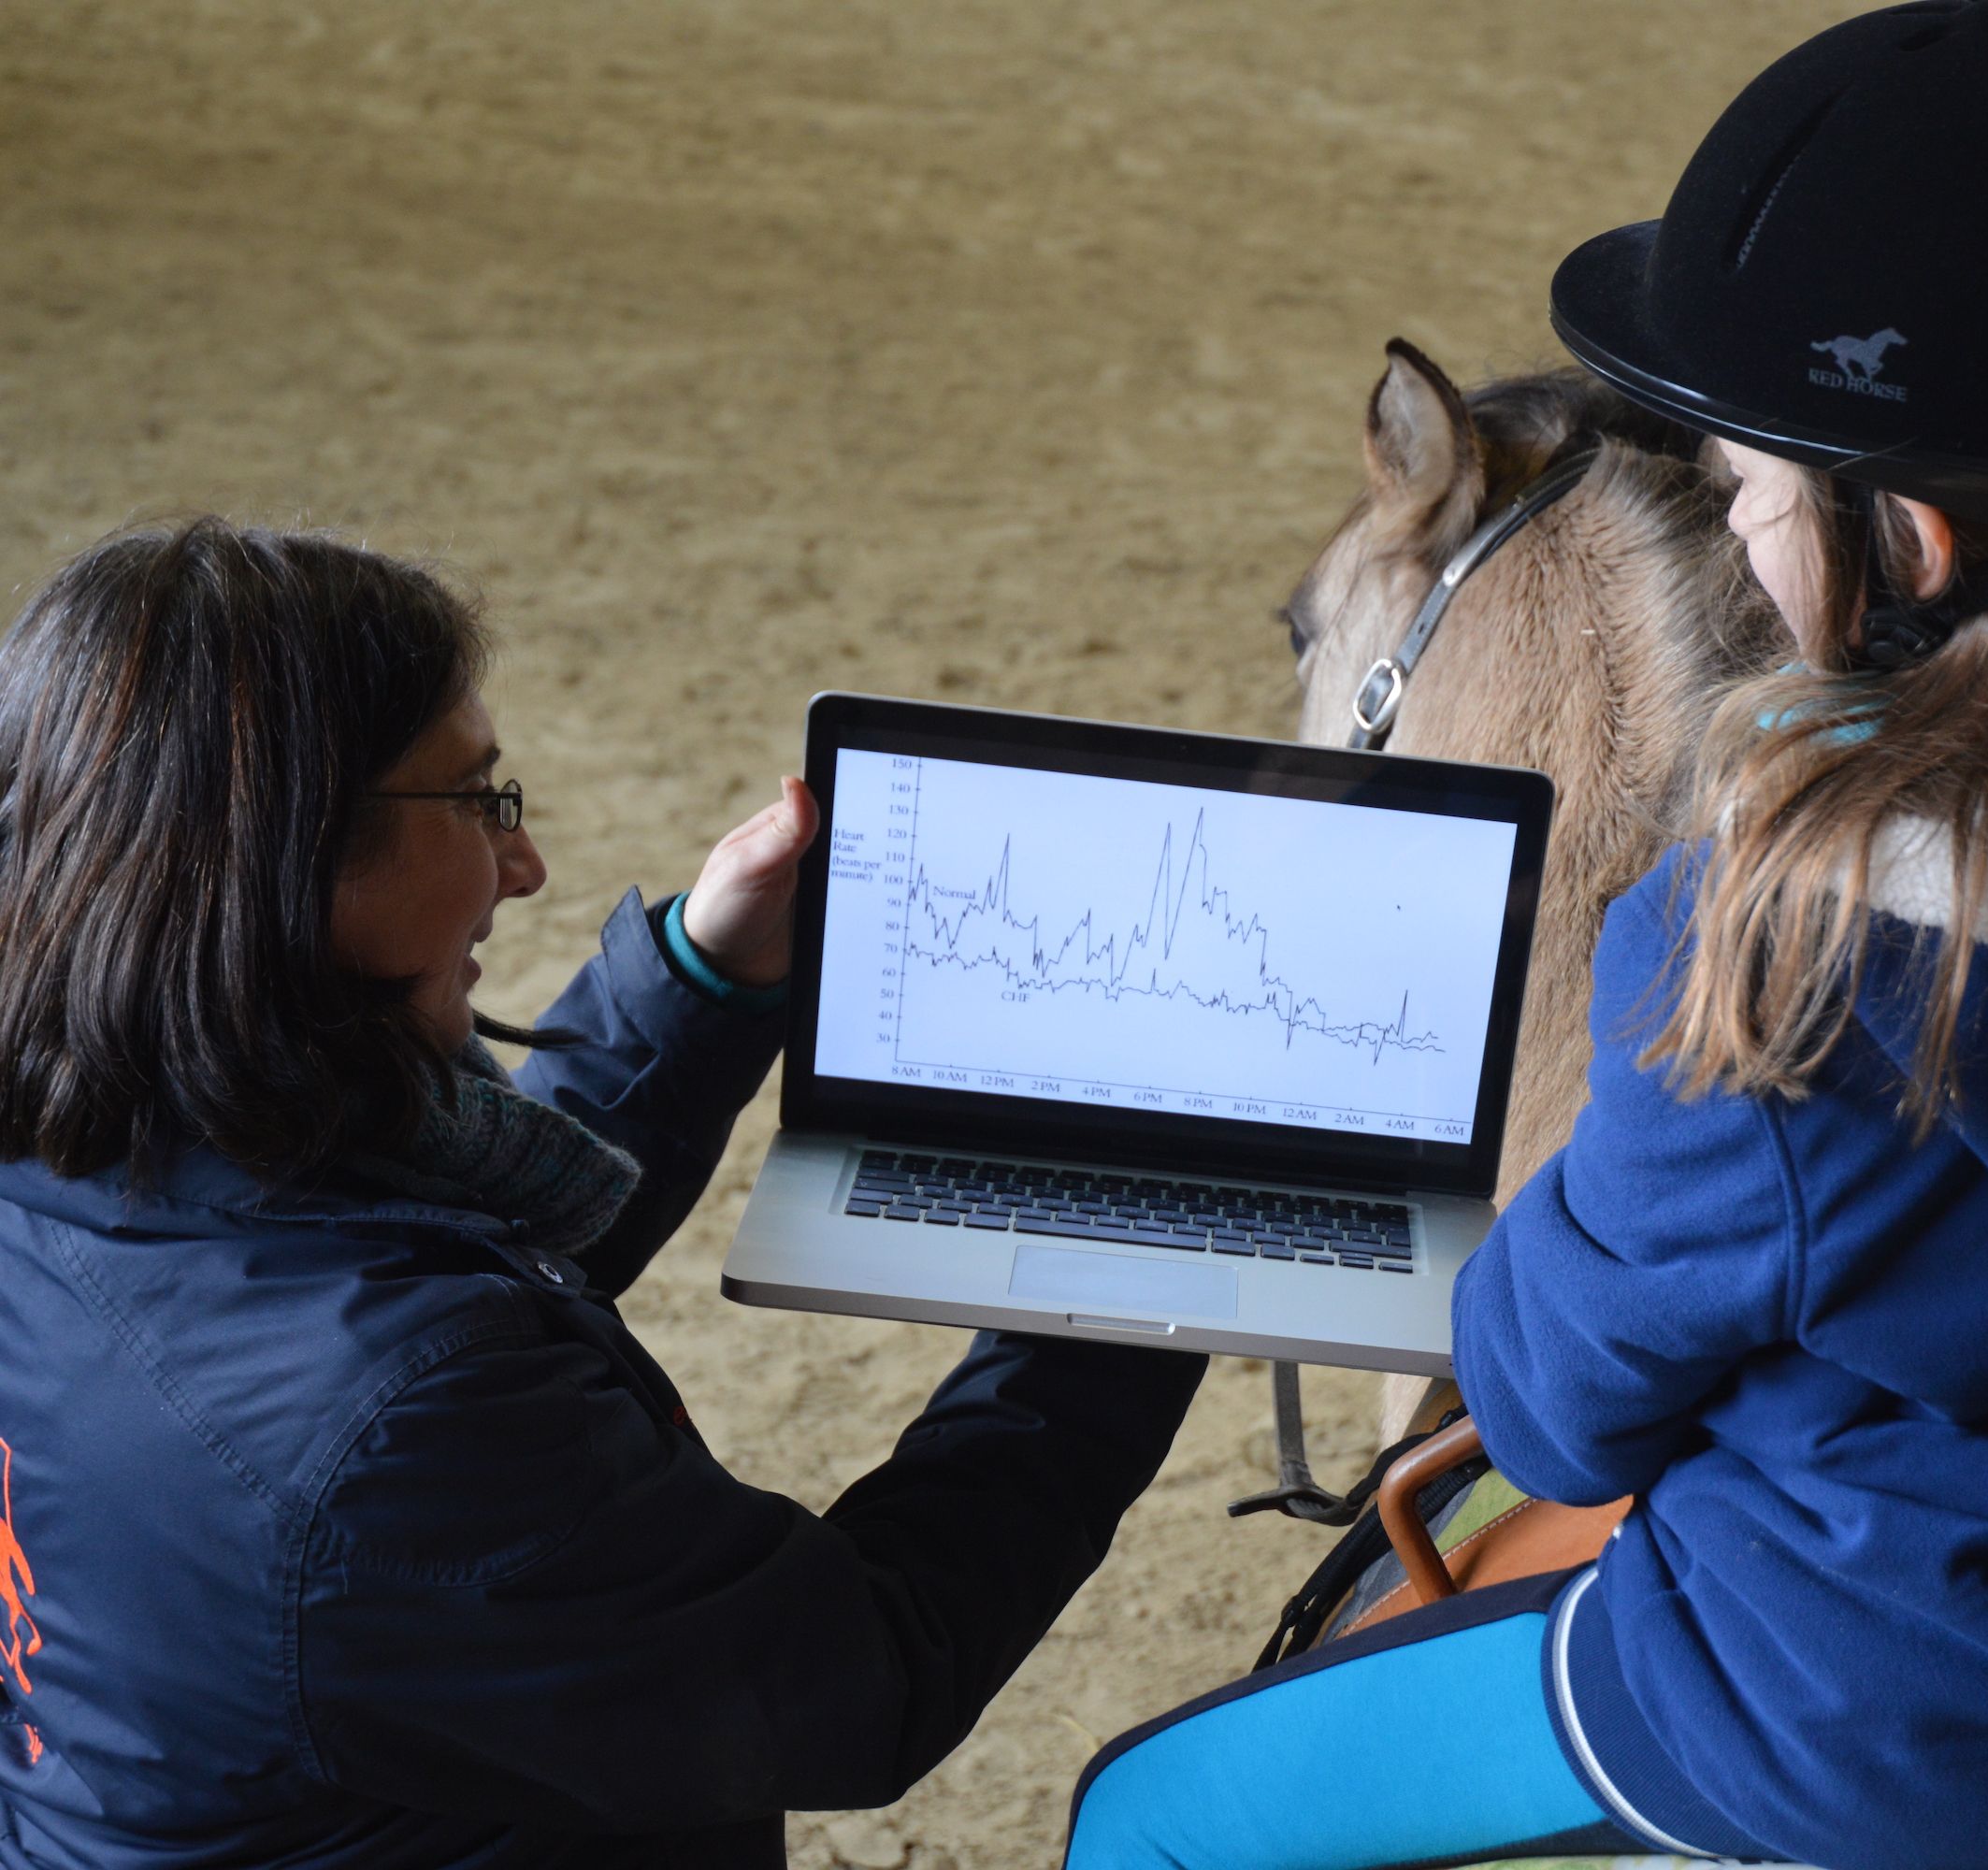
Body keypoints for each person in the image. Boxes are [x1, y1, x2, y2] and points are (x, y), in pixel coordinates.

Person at [1063, 5, 1988, 1868]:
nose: (1740, 525)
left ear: (1914, 541)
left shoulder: (1789, 945)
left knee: (1144, 1821)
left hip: (1831, 1749)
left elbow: (1547, 1407)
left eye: (1742, 490)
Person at [0, 519, 1204, 1868]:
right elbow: (859, 1671)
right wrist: (1138, 1266)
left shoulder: (100, 1124)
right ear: (289, 864)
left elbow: (424, 1242)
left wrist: (701, 977)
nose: (524, 867)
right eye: (475, 802)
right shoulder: (386, 1430)